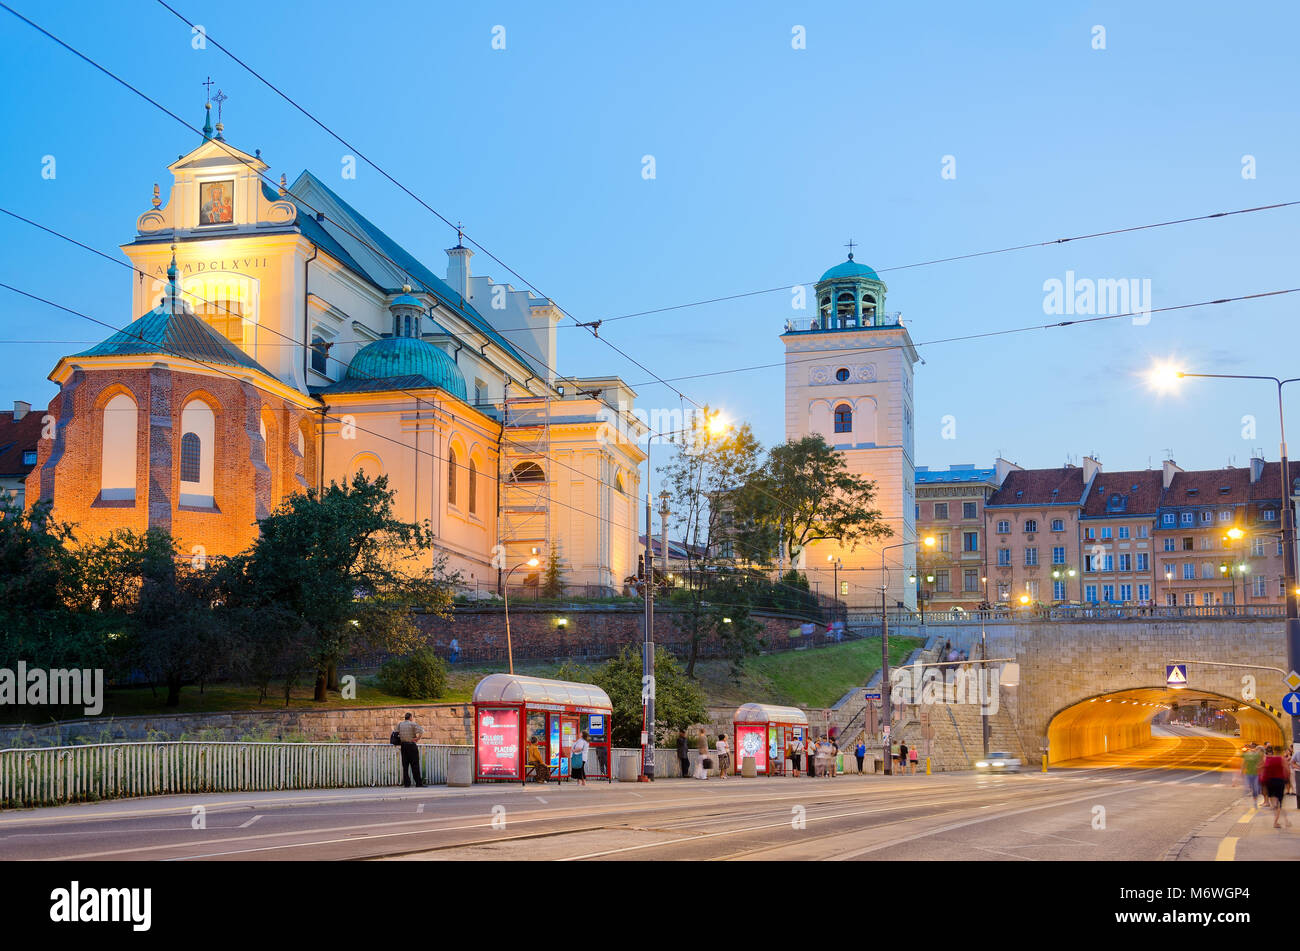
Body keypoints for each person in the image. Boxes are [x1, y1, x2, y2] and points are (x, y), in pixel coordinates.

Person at [1260, 745, 1293, 828]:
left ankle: (1283, 821)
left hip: (1269, 782)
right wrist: (1287, 781)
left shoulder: (1266, 759)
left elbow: (1262, 769)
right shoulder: (1282, 759)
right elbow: (1287, 771)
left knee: (1274, 804)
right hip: (1279, 782)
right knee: (1279, 804)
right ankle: (1278, 822)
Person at [396, 712, 424, 787]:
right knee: (415, 765)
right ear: (410, 717)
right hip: (411, 746)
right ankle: (418, 783)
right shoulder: (413, 724)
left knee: (405, 765)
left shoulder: (400, 724)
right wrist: (417, 738)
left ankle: (407, 783)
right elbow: (421, 731)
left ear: (405, 717)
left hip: (403, 746)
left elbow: (396, 732)